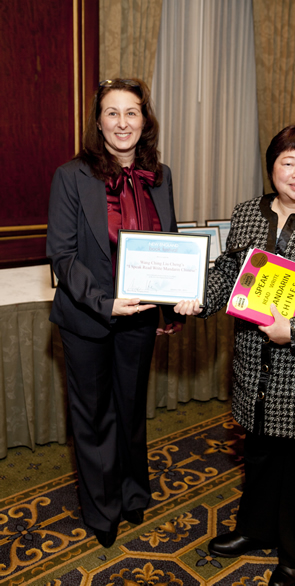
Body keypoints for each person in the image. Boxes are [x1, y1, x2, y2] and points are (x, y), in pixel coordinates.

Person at [174, 124, 295, 586]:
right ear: (272, 166)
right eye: (289, 162)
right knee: (260, 456)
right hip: (255, 367)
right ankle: (255, 529)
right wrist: (196, 296)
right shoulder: (248, 211)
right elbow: (228, 272)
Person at [46, 78, 183, 549]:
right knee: (93, 415)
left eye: (132, 112)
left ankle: (132, 491)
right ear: (98, 120)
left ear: (145, 121)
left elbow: (170, 242)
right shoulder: (72, 175)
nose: (122, 122)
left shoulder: (160, 174)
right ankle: (102, 507)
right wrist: (106, 303)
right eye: (112, 112)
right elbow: (62, 256)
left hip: (141, 316)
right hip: (88, 317)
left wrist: (170, 306)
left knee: (130, 408)